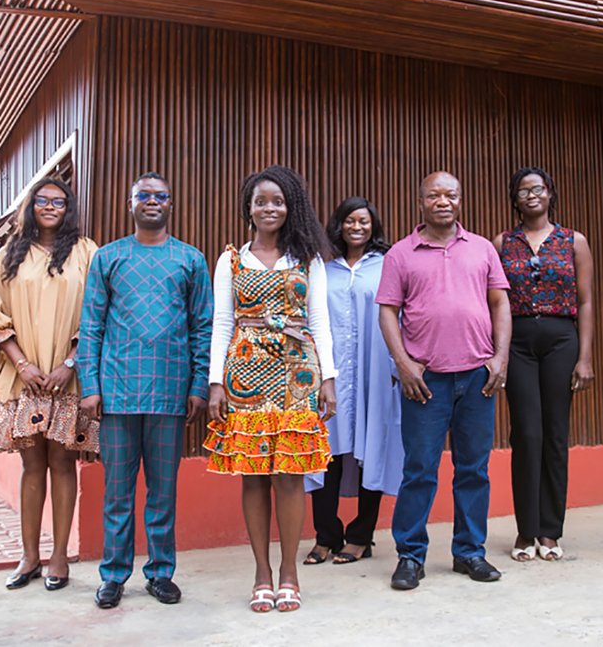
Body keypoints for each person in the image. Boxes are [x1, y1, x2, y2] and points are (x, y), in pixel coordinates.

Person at [203, 165, 337, 613]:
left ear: (290, 206)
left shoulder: (308, 259)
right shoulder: (230, 260)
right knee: (255, 476)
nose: (269, 208)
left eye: (277, 200)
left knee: (291, 476)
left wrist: (329, 379)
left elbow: (320, 322)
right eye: (261, 200)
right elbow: (221, 323)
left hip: (298, 373)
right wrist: (216, 382)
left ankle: (290, 573)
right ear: (249, 207)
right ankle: (262, 572)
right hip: (244, 373)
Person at [78, 173, 213, 608]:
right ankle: (114, 575)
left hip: (171, 393)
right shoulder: (108, 257)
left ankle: (160, 573)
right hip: (116, 392)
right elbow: (92, 324)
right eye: (144, 195)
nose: (152, 201)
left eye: (160, 196)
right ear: (130, 203)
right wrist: (90, 385)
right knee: (117, 490)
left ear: (170, 204)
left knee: (163, 491)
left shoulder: (190, 259)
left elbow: (203, 327)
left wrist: (197, 384)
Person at [376, 170, 511, 590]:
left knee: (474, 469)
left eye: (450, 194)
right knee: (419, 470)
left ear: (460, 200)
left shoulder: (483, 249)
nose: (442, 201)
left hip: (477, 377)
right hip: (425, 380)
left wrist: (500, 358)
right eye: (433, 195)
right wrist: (404, 364)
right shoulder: (400, 253)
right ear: (421, 202)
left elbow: (500, 303)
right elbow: (387, 312)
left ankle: (470, 552)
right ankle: (410, 556)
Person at [0, 177, 98, 591]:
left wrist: (71, 362)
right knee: (32, 465)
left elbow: (98, 312)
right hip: (23, 377)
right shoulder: (9, 254)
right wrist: (23, 365)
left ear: (69, 208)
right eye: (43, 200)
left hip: (69, 376)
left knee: (63, 463)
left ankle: (60, 557)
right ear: (30, 205)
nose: (51, 207)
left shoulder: (86, 252)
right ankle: (29, 555)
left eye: (59, 201)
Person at [493, 167, 594, 562]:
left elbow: (585, 301)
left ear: (550, 193)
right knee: (526, 434)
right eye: (523, 191)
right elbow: (494, 300)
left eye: (538, 189)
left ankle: (550, 531)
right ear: (514, 199)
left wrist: (585, 357)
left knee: (554, 433)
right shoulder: (502, 242)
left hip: (561, 340)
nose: (531, 196)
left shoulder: (574, 241)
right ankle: (526, 530)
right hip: (517, 341)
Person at [303, 197, 403, 567]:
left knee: (369, 451)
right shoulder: (322, 268)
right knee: (325, 453)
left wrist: (399, 367)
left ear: (373, 225)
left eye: (363, 221)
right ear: (339, 225)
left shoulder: (387, 265)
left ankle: (361, 535)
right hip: (328, 376)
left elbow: (401, 316)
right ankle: (326, 535)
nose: (356, 227)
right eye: (349, 221)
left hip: (374, 372)